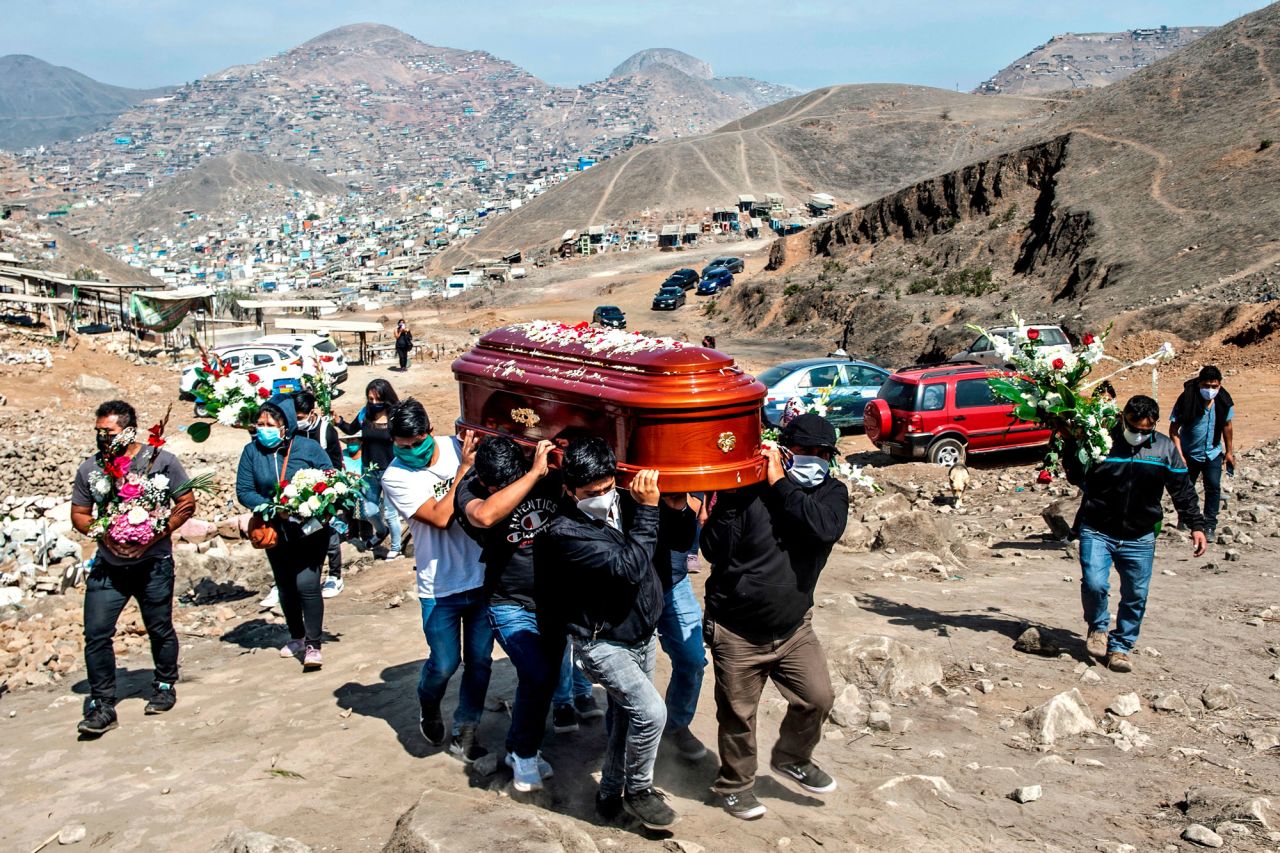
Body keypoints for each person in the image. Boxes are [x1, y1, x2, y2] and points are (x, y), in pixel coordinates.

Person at [539, 438, 694, 830]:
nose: (604, 497)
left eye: (609, 488)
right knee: (650, 713)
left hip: (641, 634)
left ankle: (609, 794)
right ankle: (639, 790)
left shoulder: (627, 501)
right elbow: (628, 568)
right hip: (602, 642)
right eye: (592, 493)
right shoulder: (564, 532)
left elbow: (676, 540)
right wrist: (647, 511)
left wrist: (673, 506)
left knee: (626, 722)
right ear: (569, 490)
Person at [701, 413, 848, 820]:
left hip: (793, 629)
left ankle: (792, 757)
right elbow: (713, 549)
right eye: (805, 452)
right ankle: (734, 786)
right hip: (737, 630)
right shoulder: (748, 494)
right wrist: (729, 500)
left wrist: (780, 482)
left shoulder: (831, 494)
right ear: (784, 451)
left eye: (822, 454)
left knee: (817, 698)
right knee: (738, 716)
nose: (814, 459)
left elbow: (822, 530)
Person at [69, 400, 197, 736]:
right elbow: (80, 514)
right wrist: (103, 535)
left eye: (107, 432)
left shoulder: (162, 462)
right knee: (96, 633)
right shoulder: (90, 469)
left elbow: (186, 503)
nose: (102, 438)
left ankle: (165, 684)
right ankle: (102, 704)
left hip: (153, 563)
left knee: (159, 627)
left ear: (128, 430)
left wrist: (156, 532)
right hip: (108, 567)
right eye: (98, 432)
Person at [380, 399, 492, 763]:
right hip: (438, 586)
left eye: (417, 442)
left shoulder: (456, 445)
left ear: (430, 432)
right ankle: (429, 703)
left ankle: (466, 730)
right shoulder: (394, 477)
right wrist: (463, 472)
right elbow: (440, 517)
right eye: (403, 445)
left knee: (480, 661)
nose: (411, 450)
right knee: (444, 663)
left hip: (479, 576)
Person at [1064, 395, 1208, 673]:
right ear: (1123, 418)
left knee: (1135, 594)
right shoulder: (1101, 442)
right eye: (1134, 427)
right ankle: (1098, 626)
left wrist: (1196, 525)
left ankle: (1121, 647)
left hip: (1140, 535)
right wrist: (1071, 441)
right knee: (1094, 583)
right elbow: (1075, 474)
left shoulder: (1165, 449)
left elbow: (1182, 489)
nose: (1139, 434)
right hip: (1098, 529)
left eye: (1146, 430)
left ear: (1154, 424)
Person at [455, 437, 563, 791]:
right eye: (498, 486)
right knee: (537, 673)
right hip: (508, 601)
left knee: (543, 680)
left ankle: (519, 748)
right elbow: (486, 516)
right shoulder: (470, 490)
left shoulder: (544, 474)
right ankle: (526, 753)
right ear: (485, 482)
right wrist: (532, 475)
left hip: (552, 601)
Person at [236, 396, 335, 671]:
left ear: (286, 426)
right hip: (274, 531)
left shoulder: (308, 447)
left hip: (310, 530)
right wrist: (270, 507)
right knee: (286, 585)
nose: (263, 429)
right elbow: (244, 490)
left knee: (307, 584)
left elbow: (330, 477)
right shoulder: (251, 452)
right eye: (259, 424)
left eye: (269, 424)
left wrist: (310, 500)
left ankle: (314, 644)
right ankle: (297, 636)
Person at [657, 493, 709, 763]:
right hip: (627, 581)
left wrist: (681, 499)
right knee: (629, 667)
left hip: (674, 581)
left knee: (692, 659)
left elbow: (698, 509)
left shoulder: (686, 467)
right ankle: (623, 737)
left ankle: (676, 725)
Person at [337, 379, 403, 560]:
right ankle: (381, 532)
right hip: (369, 470)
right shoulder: (364, 414)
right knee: (370, 511)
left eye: (378, 399)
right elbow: (351, 430)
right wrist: (339, 421)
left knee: (390, 513)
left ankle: (396, 548)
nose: (374, 403)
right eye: (371, 399)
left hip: (390, 470)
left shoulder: (395, 416)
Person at [1170, 365, 1235, 543]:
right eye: (1206, 386)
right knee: (1185, 488)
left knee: (1213, 487)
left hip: (1213, 452)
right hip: (1189, 453)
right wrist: (1179, 454)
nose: (1210, 390)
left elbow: (1227, 426)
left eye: (1214, 386)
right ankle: (1184, 519)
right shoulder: (1187, 400)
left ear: (1219, 385)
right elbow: (1174, 429)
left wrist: (1229, 452)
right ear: (1199, 384)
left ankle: (1209, 525)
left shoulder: (1223, 401)